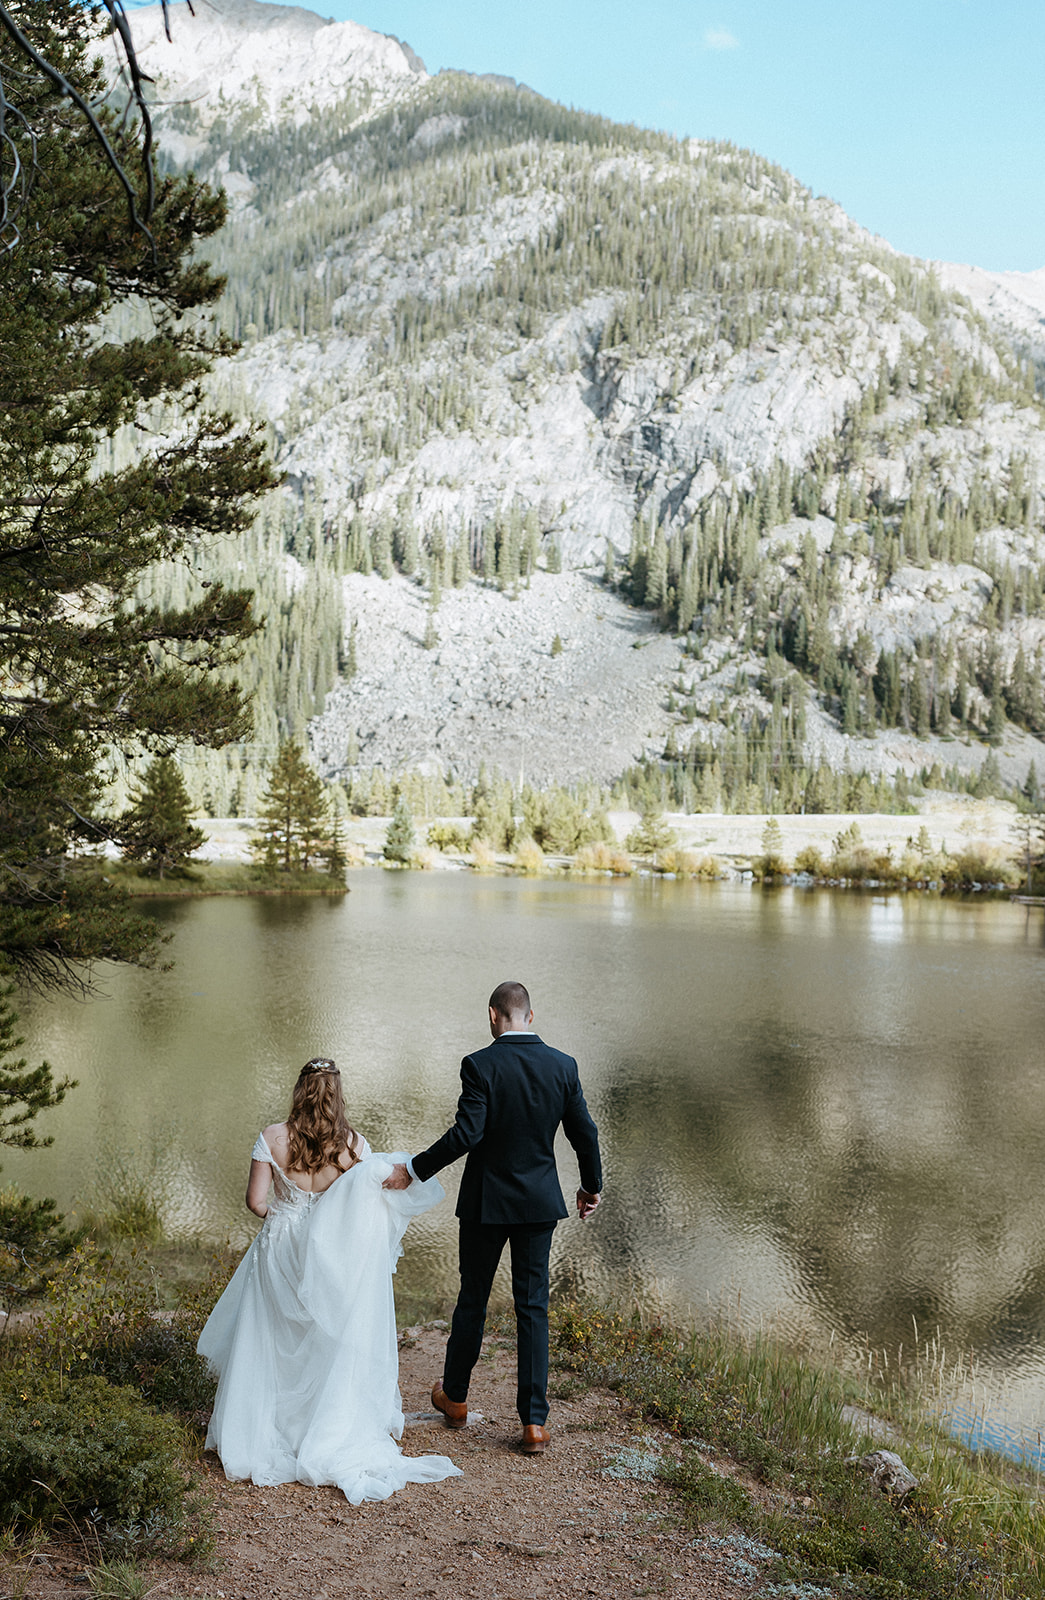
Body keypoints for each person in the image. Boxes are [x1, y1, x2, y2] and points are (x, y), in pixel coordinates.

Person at [197, 1058, 461, 1504]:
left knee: (272, 1337)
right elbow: (367, 1210)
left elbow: (256, 1202)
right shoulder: (355, 1145)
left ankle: (268, 1430)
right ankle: (322, 1428)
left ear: (300, 1090)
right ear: (337, 1094)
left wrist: (287, 1215)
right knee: (326, 1337)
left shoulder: (270, 1137)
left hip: (280, 1250)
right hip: (332, 1256)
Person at [383, 981, 602, 1455]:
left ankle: (456, 1399)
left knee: (473, 1300)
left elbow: (468, 1133)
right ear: (529, 1015)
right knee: (533, 1307)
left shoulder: (479, 1065)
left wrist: (415, 1169)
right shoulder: (563, 1066)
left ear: (492, 1015)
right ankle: (534, 1423)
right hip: (539, 1205)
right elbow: (584, 1131)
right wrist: (590, 1187)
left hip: (486, 1204)